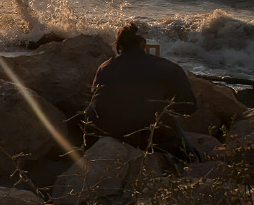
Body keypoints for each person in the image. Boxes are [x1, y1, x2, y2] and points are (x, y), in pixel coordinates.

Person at [85, 23, 199, 160]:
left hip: (112, 133)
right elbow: (189, 107)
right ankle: (192, 159)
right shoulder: (168, 68)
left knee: (90, 109)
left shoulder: (105, 67)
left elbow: (98, 103)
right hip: (156, 136)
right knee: (191, 156)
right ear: (143, 44)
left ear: (120, 44)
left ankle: (88, 152)